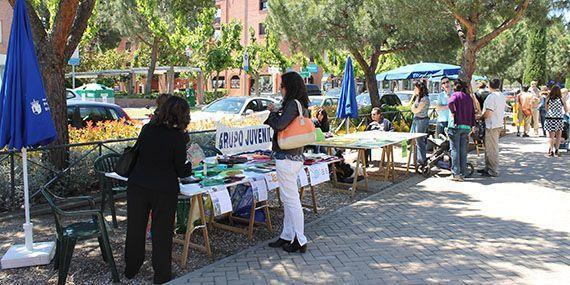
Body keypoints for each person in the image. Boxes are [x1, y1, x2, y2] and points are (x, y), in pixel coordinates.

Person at [124, 96, 193, 284]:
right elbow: (181, 169)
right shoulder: (178, 137)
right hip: (164, 189)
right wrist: (192, 164)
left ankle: (131, 268)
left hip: (138, 184)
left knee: (135, 228)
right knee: (162, 232)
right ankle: (161, 275)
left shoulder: (147, 129)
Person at [265, 71, 310, 253]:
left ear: (288, 87)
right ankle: (287, 235)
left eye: (282, 86)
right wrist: (277, 110)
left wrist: (271, 115)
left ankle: (300, 239)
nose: (280, 89)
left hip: (287, 158)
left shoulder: (292, 104)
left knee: (291, 200)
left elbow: (279, 125)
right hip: (294, 157)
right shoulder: (300, 104)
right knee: (288, 198)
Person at [447, 80, 476, 182]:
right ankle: (464, 172)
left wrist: (454, 112)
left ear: (455, 86)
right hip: (466, 127)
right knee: (463, 150)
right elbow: (473, 112)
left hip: (456, 126)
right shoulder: (468, 97)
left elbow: (450, 102)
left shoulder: (456, 95)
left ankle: (456, 174)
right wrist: (473, 125)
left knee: (454, 149)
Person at [477, 78, 506, 177]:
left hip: (491, 125)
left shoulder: (491, 97)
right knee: (490, 148)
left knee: (492, 149)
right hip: (497, 124)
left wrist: (480, 117)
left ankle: (493, 170)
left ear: (490, 85)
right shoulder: (501, 95)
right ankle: (488, 167)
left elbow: (489, 113)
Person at [544, 85, 568, 157]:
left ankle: (551, 150)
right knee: (558, 135)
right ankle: (557, 150)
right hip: (559, 118)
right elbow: (566, 110)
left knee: (551, 136)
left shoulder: (548, 99)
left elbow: (546, 109)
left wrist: (552, 111)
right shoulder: (561, 99)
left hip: (550, 118)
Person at [411, 81, 430, 167]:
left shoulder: (425, 98)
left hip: (421, 120)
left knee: (420, 141)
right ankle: (415, 160)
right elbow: (412, 108)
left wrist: (414, 108)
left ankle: (422, 160)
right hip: (416, 119)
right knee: (414, 140)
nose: (414, 89)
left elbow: (416, 110)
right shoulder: (418, 97)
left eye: (415, 88)